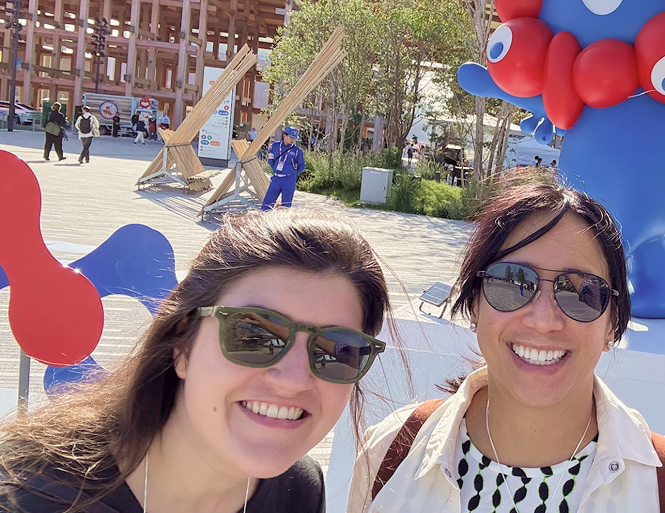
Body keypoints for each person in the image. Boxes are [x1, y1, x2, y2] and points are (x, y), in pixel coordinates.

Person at [0, 208, 391, 513]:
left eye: (337, 350)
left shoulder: (299, 492)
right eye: (253, 334)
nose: (292, 379)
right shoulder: (28, 494)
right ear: (182, 344)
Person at [347, 171, 665, 513]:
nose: (543, 320)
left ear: (612, 324)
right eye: (511, 282)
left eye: (581, 292)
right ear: (474, 304)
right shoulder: (392, 452)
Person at [261, 127, 306, 211]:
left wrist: (292, 172)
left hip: (289, 179)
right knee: (267, 203)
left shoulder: (297, 151)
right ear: (284, 135)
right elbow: (271, 160)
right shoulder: (275, 146)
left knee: (286, 205)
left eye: (294, 138)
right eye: (291, 137)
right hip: (276, 178)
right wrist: (276, 169)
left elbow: (302, 166)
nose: (293, 140)